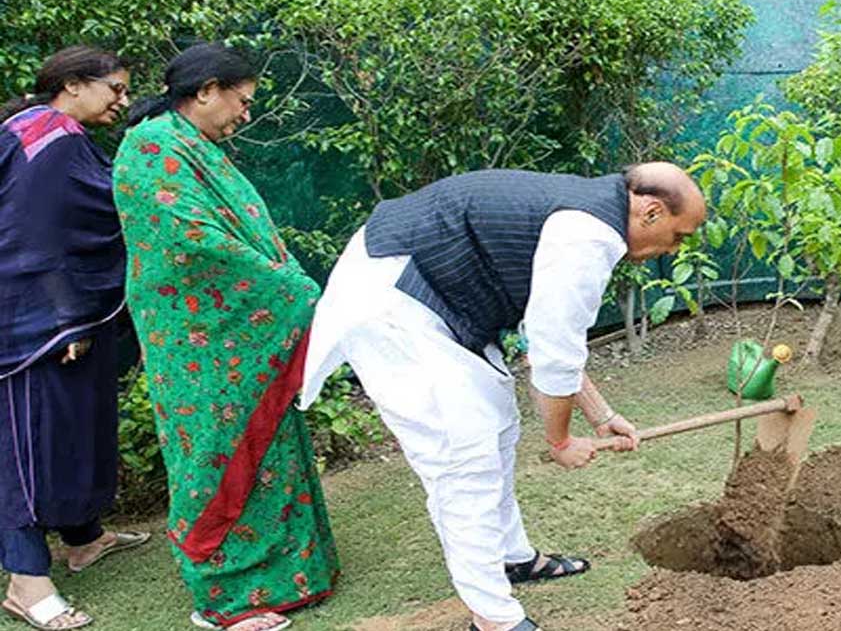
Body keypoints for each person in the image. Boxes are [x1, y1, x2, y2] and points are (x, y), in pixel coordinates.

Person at [301, 163, 707, 631]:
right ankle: (493, 617)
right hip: (394, 301)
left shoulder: (594, 214)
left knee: (497, 426)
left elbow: (555, 341)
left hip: (444, 299)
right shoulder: (591, 235)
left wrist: (602, 415)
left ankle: (512, 558)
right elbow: (552, 356)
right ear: (652, 212)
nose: (674, 249)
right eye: (679, 236)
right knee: (462, 459)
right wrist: (559, 442)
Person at [112, 43, 339, 631]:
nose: (244, 114)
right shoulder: (152, 149)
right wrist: (288, 289)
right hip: (202, 339)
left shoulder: (195, 146)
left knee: (268, 443)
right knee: (215, 448)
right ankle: (225, 599)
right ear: (207, 89)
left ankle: (284, 575)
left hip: (236, 331)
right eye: (241, 101)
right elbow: (191, 243)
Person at [0, 46, 150, 631]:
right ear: (71, 84)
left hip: (50, 313)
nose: (121, 100)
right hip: (33, 322)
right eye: (114, 88)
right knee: (27, 445)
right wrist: (66, 317)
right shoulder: (51, 140)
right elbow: (34, 239)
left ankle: (84, 540)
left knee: (73, 428)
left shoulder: (41, 130)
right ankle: (26, 581)